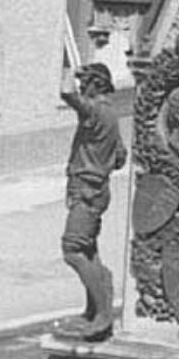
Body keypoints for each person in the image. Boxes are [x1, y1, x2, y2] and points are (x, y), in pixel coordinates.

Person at [57, 62, 128, 337]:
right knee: (87, 250)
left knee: (72, 249)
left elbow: (67, 94)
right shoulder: (112, 114)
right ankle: (94, 308)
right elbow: (121, 156)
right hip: (97, 188)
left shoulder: (96, 111)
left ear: (97, 84)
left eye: (86, 81)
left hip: (87, 189)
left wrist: (67, 69)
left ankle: (102, 315)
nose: (82, 86)